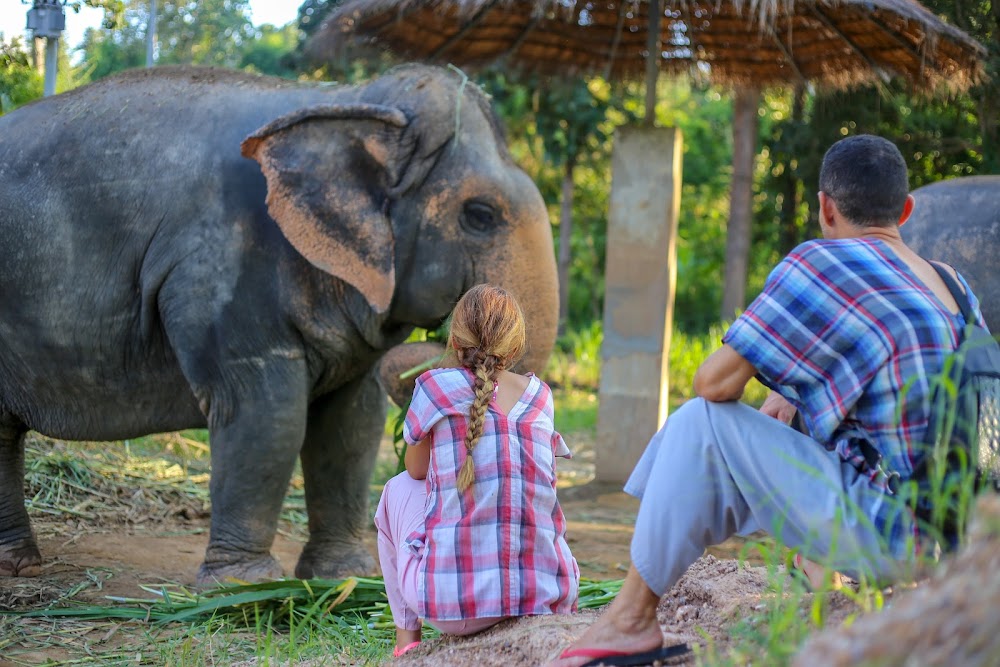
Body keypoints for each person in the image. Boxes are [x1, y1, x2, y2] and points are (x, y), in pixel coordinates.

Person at [550, 134, 989, 667]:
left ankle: (630, 619)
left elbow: (714, 383)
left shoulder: (825, 261)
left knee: (699, 422)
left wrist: (777, 382)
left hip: (895, 534)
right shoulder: (953, 286)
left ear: (825, 207)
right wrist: (791, 394)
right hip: (966, 539)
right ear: (906, 210)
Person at [375, 283, 579, 658]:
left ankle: (407, 643)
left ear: (454, 341)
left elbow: (416, 471)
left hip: (457, 610)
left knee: (397, 489)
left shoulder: (435, 387)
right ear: (515, 349)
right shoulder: (541, 396)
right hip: (547, 598)